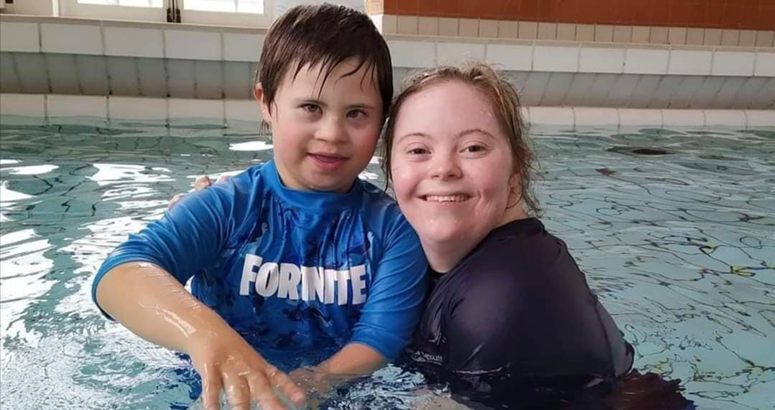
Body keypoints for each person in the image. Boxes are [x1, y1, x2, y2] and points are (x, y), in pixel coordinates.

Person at [91, 4, 427, 410]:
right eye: (311, 108)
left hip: (335, 394)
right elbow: (119, 273)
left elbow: (380, 337)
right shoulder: (228, 207)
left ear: (382, 121)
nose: (333, 133)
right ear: (266, 103)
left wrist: (314, 384)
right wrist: (207, 336)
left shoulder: (391, 229)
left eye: (357, 113)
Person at [381, 62, 636, 408]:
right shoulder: (485, 259)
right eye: (418, 150)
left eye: (473, 148)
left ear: (516, 171)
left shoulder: (503, 293)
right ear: (390, 171)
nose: (443, 168)